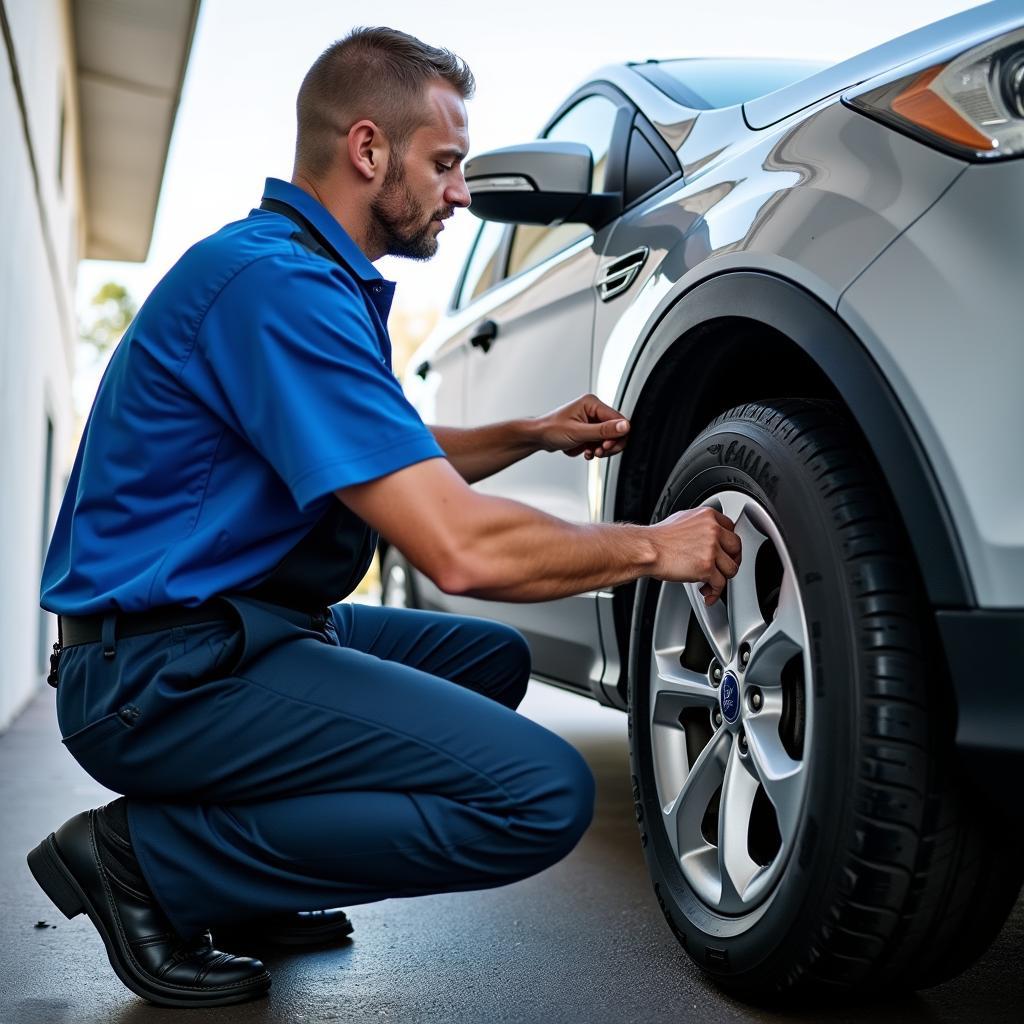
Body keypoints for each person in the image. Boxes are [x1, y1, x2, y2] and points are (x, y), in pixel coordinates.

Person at [29, 26, 742, 1009]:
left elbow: (392, 452)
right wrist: (656, 547)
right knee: (540, 796)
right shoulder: (278, 289)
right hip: (160, 672)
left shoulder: (290, 271)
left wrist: (531, 432)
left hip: (228, 631)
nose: (461, 192)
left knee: (489, 662)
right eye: (445, 163)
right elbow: (456, 548)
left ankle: (251, 879)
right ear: (368, 150)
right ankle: (148, 863)